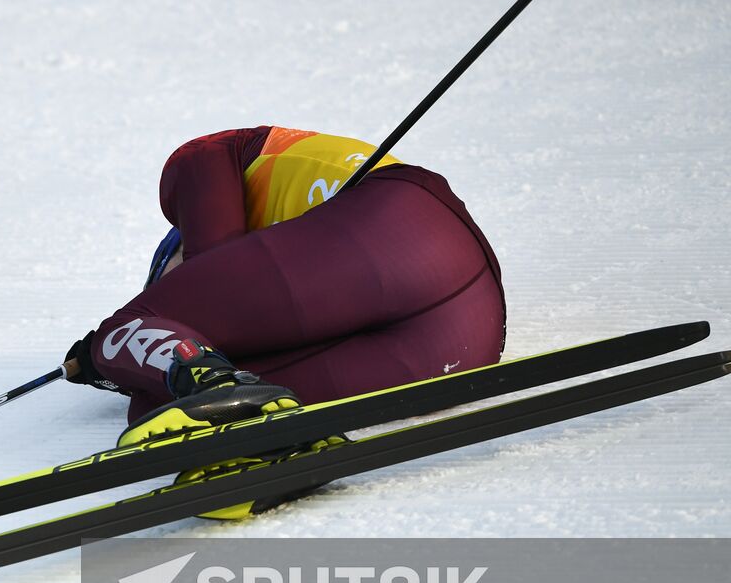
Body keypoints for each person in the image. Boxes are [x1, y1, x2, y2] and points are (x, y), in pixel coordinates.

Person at [65, 124, 506, 517]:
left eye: (166, 281)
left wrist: (105, 353)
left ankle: (197, 378)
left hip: (402, 221)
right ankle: (280, 447)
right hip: (469, 335)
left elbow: (210, 259)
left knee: (121, 330)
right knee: (163, 408)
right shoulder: (305, 279)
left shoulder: (209, 156)